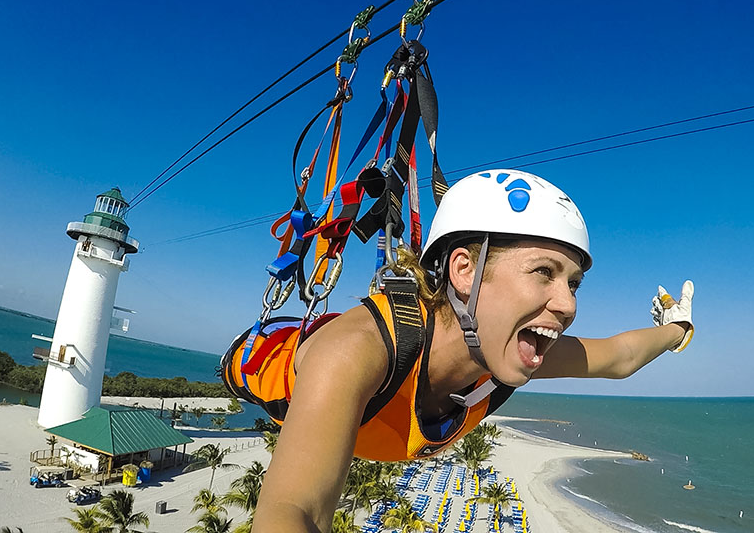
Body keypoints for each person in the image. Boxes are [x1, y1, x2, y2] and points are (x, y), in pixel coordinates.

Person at [220, 168, 694, 533]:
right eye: (543, 273)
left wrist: (678, 328)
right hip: (268, 366)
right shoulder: (357, 351)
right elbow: (292, 509)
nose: (568, 305)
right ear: (464, 270)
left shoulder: (503, 356)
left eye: (574, 283)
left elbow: (619, 357)